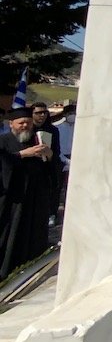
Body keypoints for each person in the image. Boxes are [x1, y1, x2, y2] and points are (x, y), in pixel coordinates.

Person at [1, 108, 54, 279]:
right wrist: (22, 155)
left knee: (34, 237)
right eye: (21, 123)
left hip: (35, 200)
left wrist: (50, 155)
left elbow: (52, 170)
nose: (25, 125)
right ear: (11, 124)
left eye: (28, 122)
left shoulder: (38, 141)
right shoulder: (3, 142)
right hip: (12, 201)